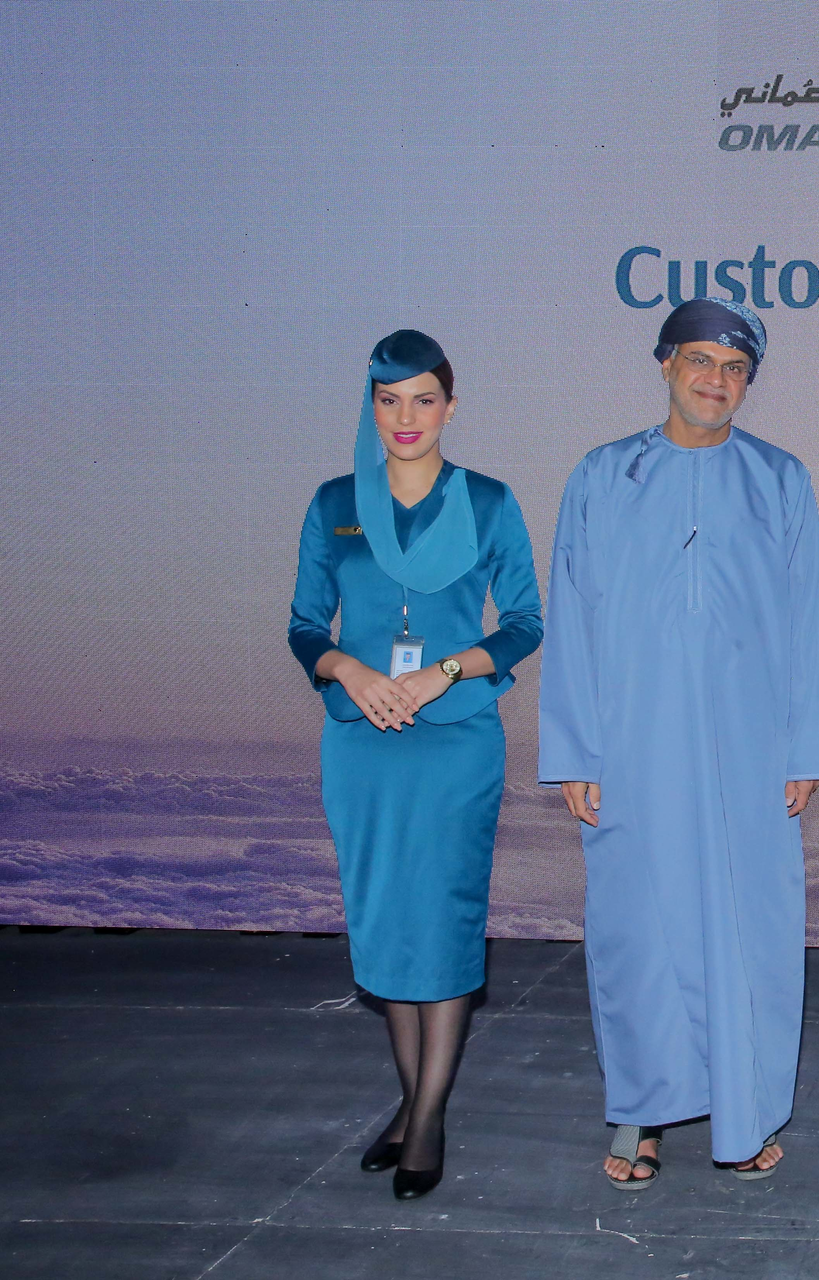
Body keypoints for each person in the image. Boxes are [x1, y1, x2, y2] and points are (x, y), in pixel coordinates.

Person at [540, 299, 819, 1190]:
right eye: (701, 361)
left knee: (750, 932)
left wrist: (803, 749)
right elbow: (574, 614)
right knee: (638, 930)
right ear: (666, 364)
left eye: (736, 368)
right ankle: (638, 1112)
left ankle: (742, 1114)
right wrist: (575, 751)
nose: (717, 380)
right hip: (632, 749)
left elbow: (801, 624)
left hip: (749, 755)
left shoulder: (780, 479)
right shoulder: (602, 475)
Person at [287, 329, 543, 1201]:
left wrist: (443, 669)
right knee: (389, 919)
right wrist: (352, 669)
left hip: (454, 739)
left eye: (423, 399)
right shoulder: (333, 504)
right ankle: (410, 1102)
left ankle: (427, 1120)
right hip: (362, 741)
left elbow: (523, 625)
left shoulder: (489, 500)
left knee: (443, 916)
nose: (407, 418)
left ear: (451, 406)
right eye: (389, 401)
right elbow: (302, 627)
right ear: (372, 408)